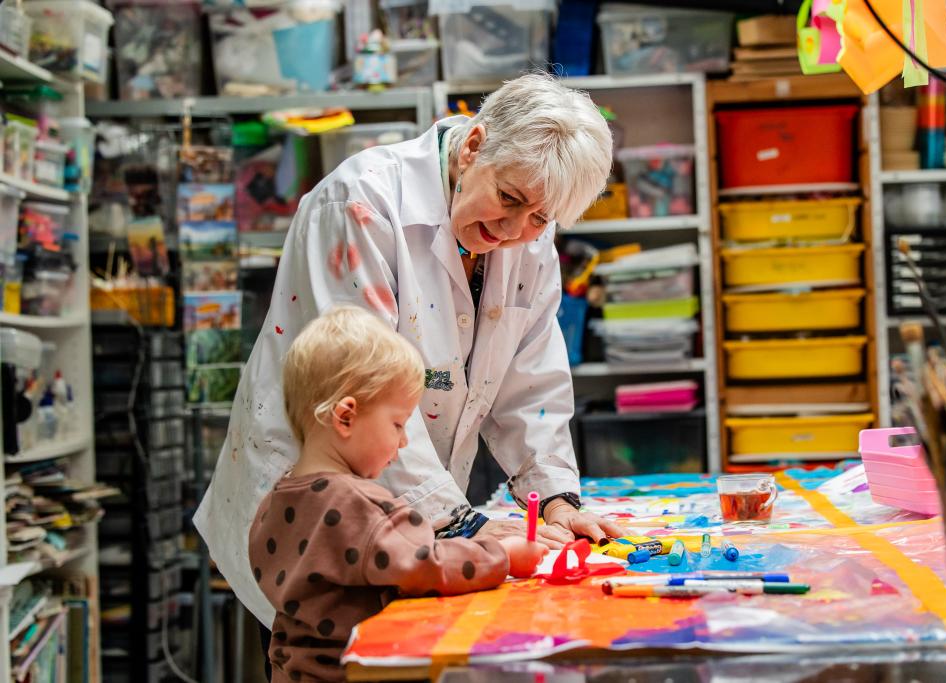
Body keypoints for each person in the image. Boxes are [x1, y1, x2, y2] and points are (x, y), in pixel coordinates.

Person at [194, 72, 627, 631]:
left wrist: (556, 500)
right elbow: (362, 390)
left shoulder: (531, 234)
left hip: (414, 518)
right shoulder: (360, 204)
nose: (515, 229)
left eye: (541, 218)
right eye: (509, 199)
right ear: (473, 146)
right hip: (310, 513)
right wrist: (460, 525)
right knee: (322, 658)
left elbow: (531, 379)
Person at [250, 306, 545, 681]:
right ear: (345, 417)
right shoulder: (354, 505)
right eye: (398, 424)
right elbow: (427, 567)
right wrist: (502, 556)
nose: (404, 442)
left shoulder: (274, 501)